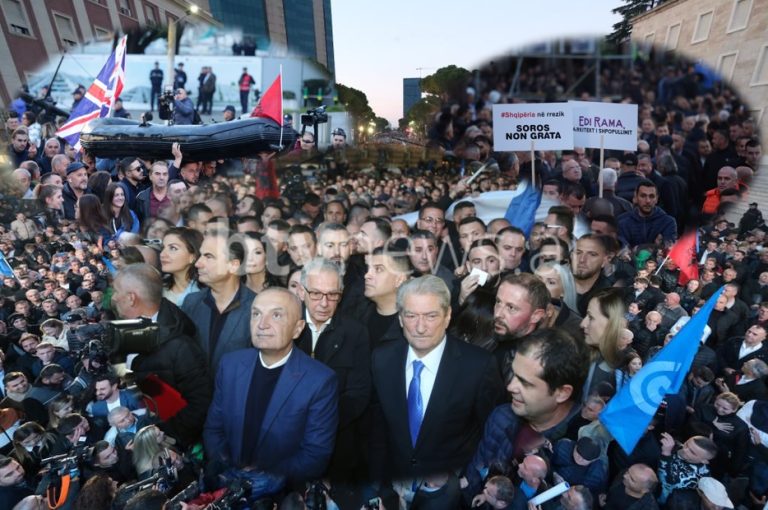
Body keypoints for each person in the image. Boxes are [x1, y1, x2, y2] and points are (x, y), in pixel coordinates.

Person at [371, 275, 504, 505]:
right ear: (400, 318)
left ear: (447, 316)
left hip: (449, 493)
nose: (420, 327)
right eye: (411, 316)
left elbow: (491, 432)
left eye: (431, 316)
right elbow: (376, 426)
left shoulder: (479, 365)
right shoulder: (381, 359)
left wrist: (465, 479)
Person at [203, 287, 338, 491]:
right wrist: (228, 469)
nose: (262, 324)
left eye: (276, 315)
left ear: (298, 328)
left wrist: (264, 478)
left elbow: (315, 454)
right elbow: (214, 429)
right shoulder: (230, 365)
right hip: (226, 484)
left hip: (281, 492)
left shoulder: (320, 381)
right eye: (256, 314)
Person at [463, 327, 590, 498]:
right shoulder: (502, 416)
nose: (510, 387)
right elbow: (477, 469)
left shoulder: (576, 454)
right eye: (514, 375)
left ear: (561, 393)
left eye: (525, 383)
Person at [111, 263, 212, 445]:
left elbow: (200, 404)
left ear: (131, 298)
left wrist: (169, 439)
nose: (114, 298)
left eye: (116, 291)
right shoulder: (128, 327)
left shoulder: (181, 346)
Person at [295, 258, 371, 480]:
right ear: (301, 291)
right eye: (316, 293)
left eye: (333, 295)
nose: (324, 303)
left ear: (342, 293)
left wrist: (320, 424)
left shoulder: (356, 332)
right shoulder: (285, 325)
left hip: (337, 445)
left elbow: (358, 394)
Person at [181, 231, 256, 374]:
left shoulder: (257, 307)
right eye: (200, 255)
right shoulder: (192, 302)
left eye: (209, 257)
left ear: (233, 265)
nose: (198, 263)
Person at [617, 180, 677, 247]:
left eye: (651, 196)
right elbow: (622, 249)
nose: (647, 201)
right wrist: (654, 246)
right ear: (636, 197)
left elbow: (668, 248)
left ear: (657, 199)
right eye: (643, 196)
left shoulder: (667, 222)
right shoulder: (622, 221)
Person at [159, 227, 202, 307]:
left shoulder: (206, 292)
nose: (162, 254)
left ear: (193, 257)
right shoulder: (158, 289)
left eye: (173, 248)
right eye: (163, 248)